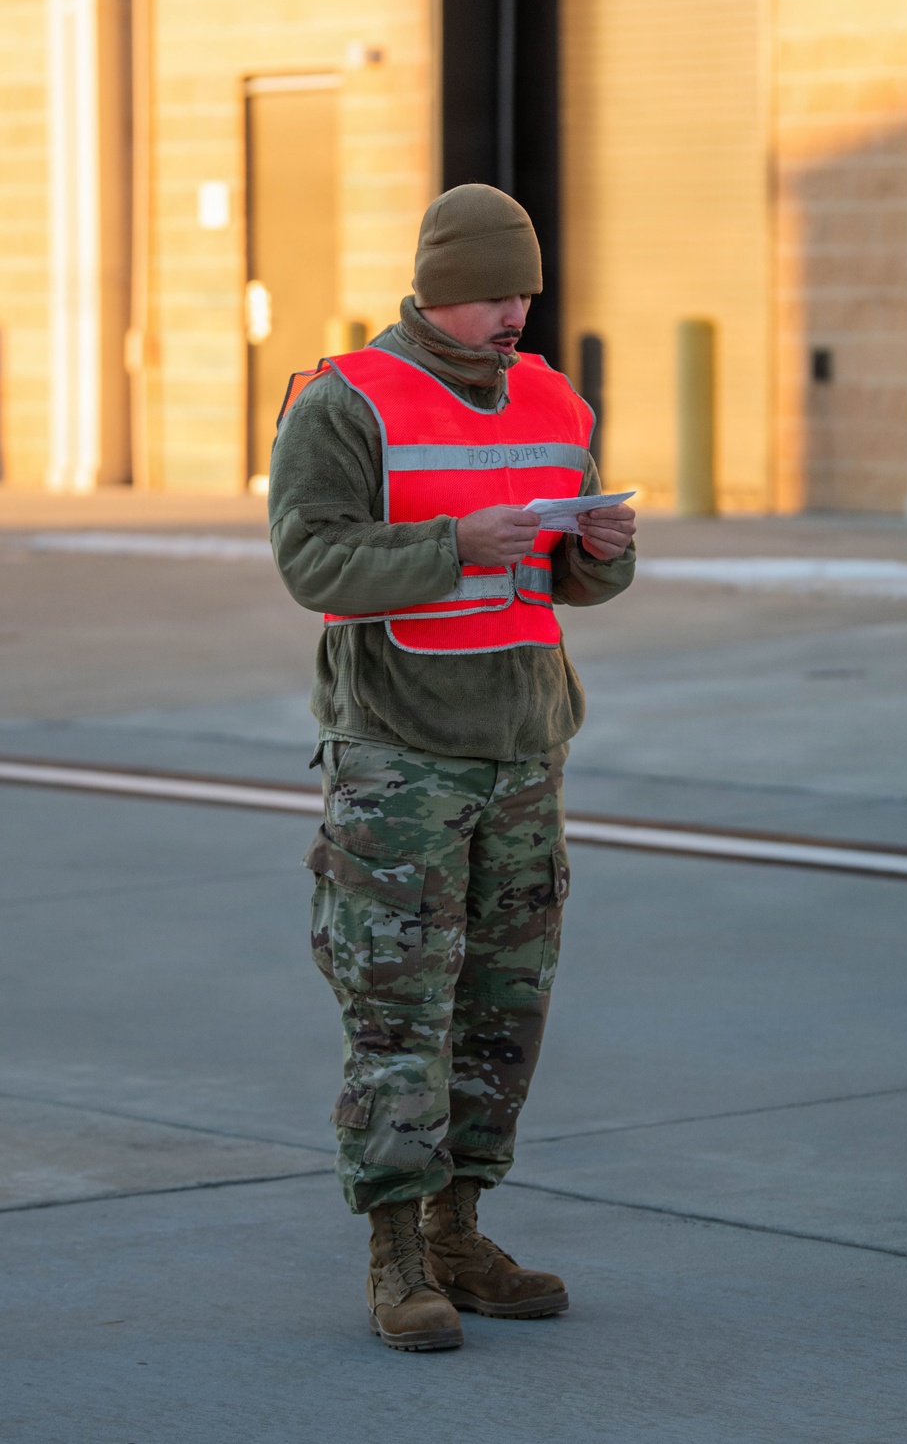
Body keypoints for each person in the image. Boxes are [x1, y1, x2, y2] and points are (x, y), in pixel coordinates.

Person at [269, 183, 636, 1351]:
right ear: (435, 288)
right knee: (398, 1007)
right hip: (400, 752)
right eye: (491, 291)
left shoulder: (553, 396)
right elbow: (310, 557)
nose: (513, 311)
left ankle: (461, 1230)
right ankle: (393, 1256)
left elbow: (560, 579)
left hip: (525, 743)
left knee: (503, 1007)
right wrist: (446, 547)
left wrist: (599, 552)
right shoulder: (346, 400)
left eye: (523, 288)